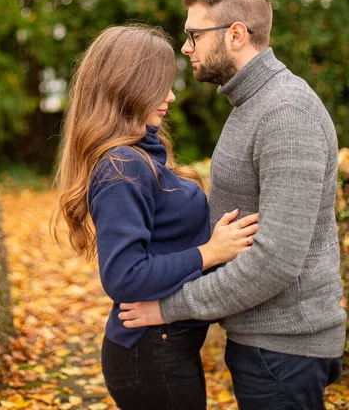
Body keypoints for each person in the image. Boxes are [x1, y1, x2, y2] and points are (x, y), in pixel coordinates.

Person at [119, 0, 347, 410]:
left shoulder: (285, 113)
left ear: (236, 34)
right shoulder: (254, 103)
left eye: (194, 35)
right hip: (268, 345)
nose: (186, 48)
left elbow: (275, 260)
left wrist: (169, 307)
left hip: (284, 349)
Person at [52, 24, 259, 410]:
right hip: (149, 355)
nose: (171, 95)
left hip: (164, 348)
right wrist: (210, 253)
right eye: (160, 84)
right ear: (129, 86)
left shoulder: (140, 152)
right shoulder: (123, 166)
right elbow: (124, 276)